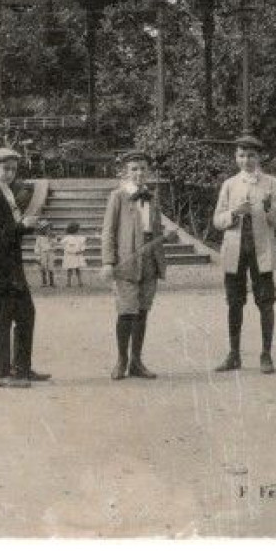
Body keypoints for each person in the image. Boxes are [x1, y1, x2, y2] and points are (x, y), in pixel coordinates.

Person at [0, 147, 50, 388]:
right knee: (2, 319)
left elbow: (7, 230)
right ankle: (1, 372)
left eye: (14, 169)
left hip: (10, 264)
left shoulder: (3, 191)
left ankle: (21, 369)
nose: (10, 173)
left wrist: (28, 226)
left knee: (26, 314)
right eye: (5, 168)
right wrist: (22, 226)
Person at [213, 134, 276, 375]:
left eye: (251, 155)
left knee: (266, 301)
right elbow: (217, 220)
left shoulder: (271, 183)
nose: (246, 160)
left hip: (260, 250)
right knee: (234, 302)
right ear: (236, 158)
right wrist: (234, 213)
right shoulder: (229, 185)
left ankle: (266, 354)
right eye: (241, 155)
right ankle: (234, 354)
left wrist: (267, 208)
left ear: (259, 157)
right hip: (235, 251)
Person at [101, 150, 166, 380]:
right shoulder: (118, 196)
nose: (139, 173)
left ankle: (137, 361)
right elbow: (108, 232)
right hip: (126, 261)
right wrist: (108, 261)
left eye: (143, 169)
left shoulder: (152, 196)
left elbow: (154, 228)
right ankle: (121, 360)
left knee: (142, 311)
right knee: (126, 312)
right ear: (125, 173)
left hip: (150, 260)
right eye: (134, 169)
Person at [61, 221, 86, 287]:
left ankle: (80, 282)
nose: (78, 231)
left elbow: (83, 245)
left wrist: (81, 250)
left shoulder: (80, 238)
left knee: (78, 269)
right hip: (70, 256)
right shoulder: (67, 238)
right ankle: (68, 282)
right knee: (69, 269)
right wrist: (71, 251)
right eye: (77, 229)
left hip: (77, 256)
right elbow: (64, 246)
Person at [33, 221, 57, 287]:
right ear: (42, 229)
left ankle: (52, 282)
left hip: (50, 253)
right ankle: (44, 282)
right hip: (43, 253)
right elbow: (37, 246)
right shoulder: (39, 238)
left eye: (49, 228)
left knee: (51, 267)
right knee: (43, 267)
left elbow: (54, 244)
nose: (48, 230)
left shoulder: (53, 236)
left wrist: (51, 239)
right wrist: (38, 255)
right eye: (46, 228)